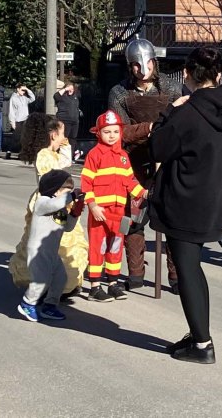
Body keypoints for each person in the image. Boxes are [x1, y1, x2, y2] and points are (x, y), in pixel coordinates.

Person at [148, 47, 222, 364]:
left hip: (185, 200)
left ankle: (202, 344)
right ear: (219, 75)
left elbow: (157, 146)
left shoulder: (187, 113)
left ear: (187, 75)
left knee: (187, 269)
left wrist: (169, 111)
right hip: (216, 198)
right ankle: (198, 332)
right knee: (193, 267)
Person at [108, 38, 182, 292]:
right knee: (134, 219)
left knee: (172, 220)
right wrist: (149, 128)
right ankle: (136, 274)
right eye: (137, 65)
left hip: (167, 162)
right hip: (135, 162)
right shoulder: (119, 93)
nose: (143, 69)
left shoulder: (172, 89)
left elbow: (181, 125)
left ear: (154, 62)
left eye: (147, 63)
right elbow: (118, 132)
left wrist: (165, 139)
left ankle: (176, 276)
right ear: (130, 66)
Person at [8, 113, 88, 297]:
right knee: (53, 242)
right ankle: (48, 284)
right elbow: (49, 180)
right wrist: (64, 196)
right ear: (53, 135)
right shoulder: (44, 155)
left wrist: (65, 144)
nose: (64, 138)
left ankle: (61, 284)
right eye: (62, 134)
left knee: (63, 240)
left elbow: (65, 161)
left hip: (60, 200)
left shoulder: (52, 154)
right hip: (50, 201)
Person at [81, 110, 147, 302]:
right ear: (98, 133)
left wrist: (143, 193)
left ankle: (112, 283)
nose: (112, 135)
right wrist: (92, 206)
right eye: (107, 131)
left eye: (116, 131)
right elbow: (86, 183)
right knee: (98, 247)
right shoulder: (94, 155)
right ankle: (94, 287)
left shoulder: (123, 156)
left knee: (115, 246)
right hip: (100, 211)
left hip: (118, 212)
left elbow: (130, 181)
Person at [17, 170, 85, 322]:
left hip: (52, 252)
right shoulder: (43, 202)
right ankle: (27, 303)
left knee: (60, 279)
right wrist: (72, 196)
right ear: (55, 190)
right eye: (67, 191)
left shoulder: (60, 209)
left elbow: (67, 227)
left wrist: (74, 214)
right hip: (38, 251)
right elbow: (53, 204)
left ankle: (50, 305)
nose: (69, 194)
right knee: (41, 280)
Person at [54, 82, 80, 159]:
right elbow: (56, 96)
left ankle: (70, 156)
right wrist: (65, 89)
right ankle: (60, 155)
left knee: (73, 138)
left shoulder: (76, 96)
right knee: (63, 138)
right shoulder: (62, 96)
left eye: (71, 88)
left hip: (74, 121)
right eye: (68, 88)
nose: (70, 90)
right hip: (64, 120)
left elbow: (79, 94)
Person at [9, 83, 35, 158]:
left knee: (25, 137)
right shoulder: (13, 98)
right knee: (16, 138)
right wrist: (12, 122)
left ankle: (22, 153)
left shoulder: (25, 98)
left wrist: (27, 89)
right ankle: (9, 151)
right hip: (18, 120)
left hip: (25, 120)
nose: (23, 92)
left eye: (24, 91)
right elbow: (11, 111)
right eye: (22, 90)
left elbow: (33, 98)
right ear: (18, 89)